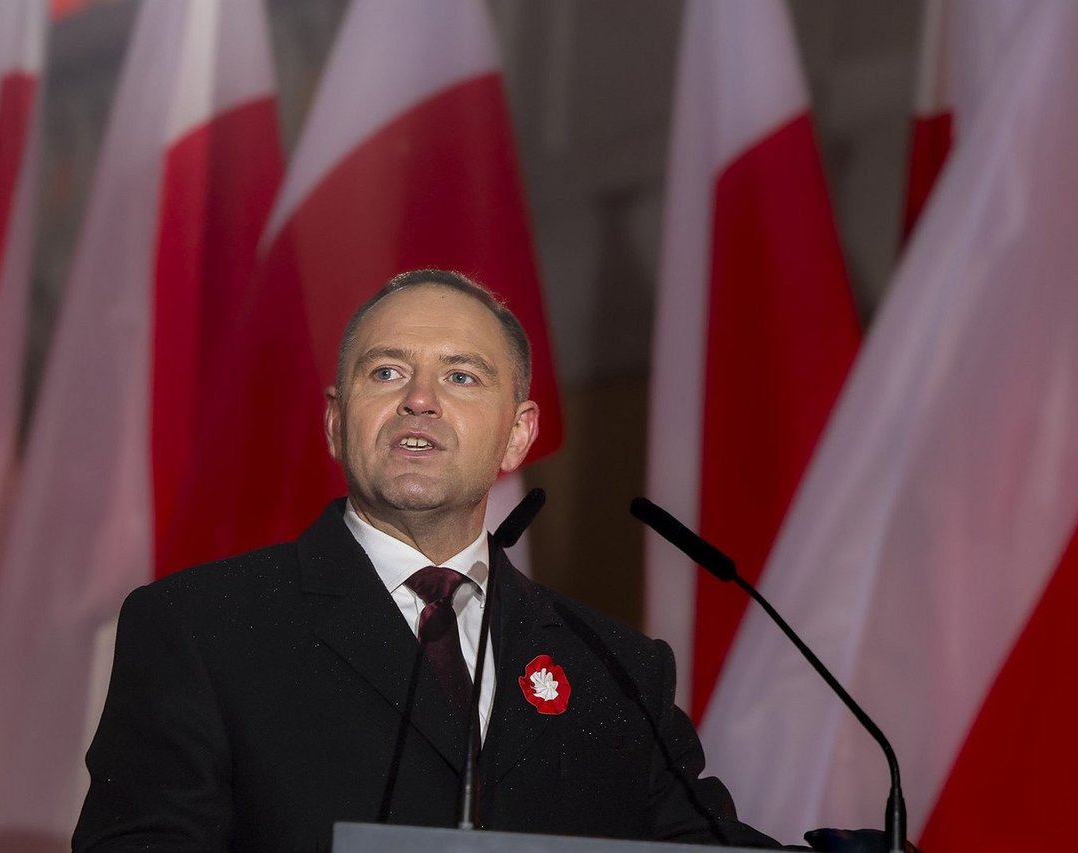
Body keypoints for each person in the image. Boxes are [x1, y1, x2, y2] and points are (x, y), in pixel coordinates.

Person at [73, 269, 783, 850]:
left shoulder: (617, 668)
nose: (419, 400)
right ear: (335, 423)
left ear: (517, 435)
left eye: (462, 377)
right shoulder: (202, 626)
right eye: (386, 372)